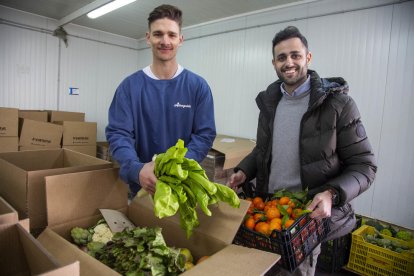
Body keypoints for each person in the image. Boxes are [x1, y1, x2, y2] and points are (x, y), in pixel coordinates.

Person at [229, 26, 377, 275]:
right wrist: (244, 170)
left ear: (308, 57)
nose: (289, 62)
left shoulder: (338, 105)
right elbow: (264, 150)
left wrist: (331, 194)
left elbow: (365, 166)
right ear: (273, 62)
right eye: (281, 57)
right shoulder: (269, 102)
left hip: (304, 218)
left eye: (295, 55)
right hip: (266, 212)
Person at [106, 4, 216, 197]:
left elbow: (204, 135)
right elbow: (118, 134)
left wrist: (175, 167)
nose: (165, 41)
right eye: (158, 34)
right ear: (148, 38)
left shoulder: (198, 86)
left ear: (180, 40)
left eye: (172, 35)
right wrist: (136, 169)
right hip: (140, 189)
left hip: (182, 187)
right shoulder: (129, 87)